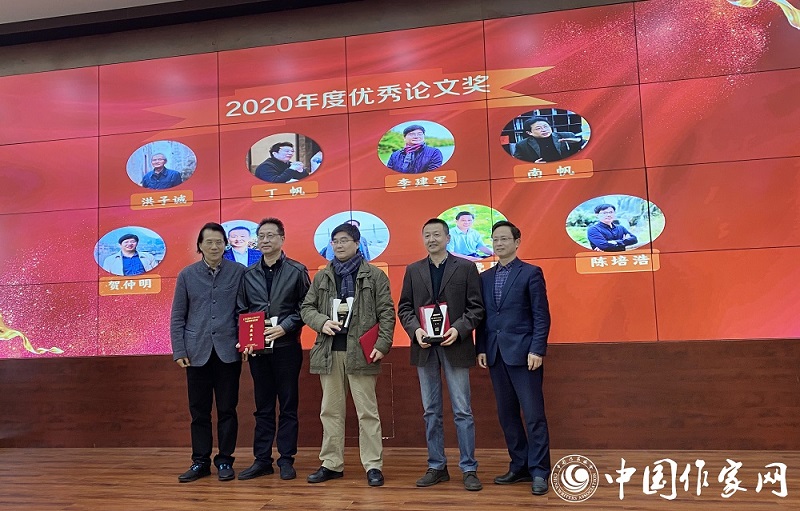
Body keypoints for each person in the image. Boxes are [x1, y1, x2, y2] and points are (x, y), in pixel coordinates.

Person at [300, 222, 395, 487]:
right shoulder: (322, 276)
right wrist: (321, 322)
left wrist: (383, 344)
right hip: (329, 352)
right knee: (330, 411)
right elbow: (306, 308)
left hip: (362, 352)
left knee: (367, 413)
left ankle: (373, 465)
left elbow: (387, 312)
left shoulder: (374, 276)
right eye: (335, 241)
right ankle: (331, 464)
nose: (339, 245)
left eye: (344, 240)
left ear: (356, 243)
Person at [397, 218, 485, 491]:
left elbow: (476, 308)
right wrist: (415, 331)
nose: (431, 239)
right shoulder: (413, 270)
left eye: (437, 234)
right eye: (427, 235)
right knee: (431, 411)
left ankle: (469, 468)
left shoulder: (466, 268)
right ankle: (436, 466)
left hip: (456, 346)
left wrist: (459, 330)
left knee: (462, 410)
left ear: (448, 238)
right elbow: (405, 308)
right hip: (425, 348)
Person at [476, 220, 552, 496]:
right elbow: (484, 318)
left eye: (504, 239)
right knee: (507, 415)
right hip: (496, 354)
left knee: (533, 415)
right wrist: (481, 348)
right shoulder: (485, 277)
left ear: (517, 242)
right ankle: (519, 465)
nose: (498, 244)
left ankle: (540, 470)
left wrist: (537, 350)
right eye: (495, 239)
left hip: (524, 354)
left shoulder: (531, 273)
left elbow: (541, 316)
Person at [236, 218, 310, 482]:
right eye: (261, 236)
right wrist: (245, 339)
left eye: (270, 235)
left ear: (282, 238)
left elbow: (306, 307)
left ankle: (286, 459)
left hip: (287, 347)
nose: (265, 240)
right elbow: (242, 310)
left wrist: (286, 327)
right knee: (263, 406)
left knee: (288, 405)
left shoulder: (297, 270)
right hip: (259, 349)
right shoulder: (248, 274)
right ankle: (262, 460)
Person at [170, 222, 245, 483]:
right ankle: (200, 461)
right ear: (200, 245)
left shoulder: (239, 272)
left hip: (229, 351)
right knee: (199, 411)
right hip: (196, 352)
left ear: (226, 245)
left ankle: (225, 460)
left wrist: (246, 343)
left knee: (227, 409)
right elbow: (178, 316)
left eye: (219, 242)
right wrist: (179, 349)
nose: (214, 246)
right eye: (209, 242)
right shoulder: (187, 275)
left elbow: (245, 312)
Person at [512, 117, 582, 164]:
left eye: (546, 126)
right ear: (529, 132)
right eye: (538, 128)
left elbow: (585, 148)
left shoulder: (567, 135)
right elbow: (517, 164)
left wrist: (578, 142)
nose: (544, 130)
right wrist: (533, 165)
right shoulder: (522, 145)